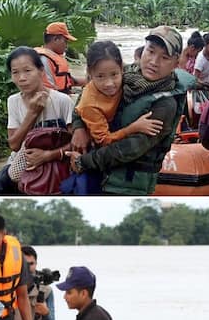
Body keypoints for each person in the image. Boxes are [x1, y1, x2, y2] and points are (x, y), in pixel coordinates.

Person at [67, 25, 196, 195]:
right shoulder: (123, 74)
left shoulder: (165, 104)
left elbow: (129, 149)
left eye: (164, 57)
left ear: (176, 63)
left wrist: (84, 162)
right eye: (150, 51)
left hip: (125, 186)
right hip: (101, 175)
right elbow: (87, 95)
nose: (154, 62)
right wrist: (78, 127)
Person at [70, 40, 164, 193]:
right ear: (90, 73)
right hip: (100, 151)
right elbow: (104, 140)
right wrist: (134, 127)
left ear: (122, 68)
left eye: (114, 74)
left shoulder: (132, 77)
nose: (109, 83)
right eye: (100, 76)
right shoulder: (89, 103)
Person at [4, 46, 74, 191]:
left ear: (41, 71)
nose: (22, 78)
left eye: (28, 71)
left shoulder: (62, 101)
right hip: (24, 164)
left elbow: (77, 142)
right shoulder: (13, 101)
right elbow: (14, 145)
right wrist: (32, 113)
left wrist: (48, 155)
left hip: (57, 162)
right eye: (15, 73)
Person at [35, 22, 87, 94]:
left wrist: (90, 80)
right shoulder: (44, 59)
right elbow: (47, 89)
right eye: (65, 41)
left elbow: (68, 80)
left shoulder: (52, 57)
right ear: (56, 39)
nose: (66, 46)